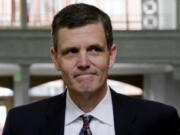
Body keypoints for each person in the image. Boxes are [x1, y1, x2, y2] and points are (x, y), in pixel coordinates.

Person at [3, 3, 180, 135]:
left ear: (111, 55)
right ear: (56, 59)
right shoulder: (21, 124)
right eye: (71, 51)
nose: (84, 62)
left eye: (94, 49)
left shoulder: (160, 122)